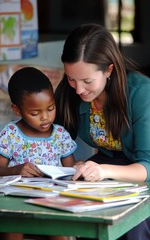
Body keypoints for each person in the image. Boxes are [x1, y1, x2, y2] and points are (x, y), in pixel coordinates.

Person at [54, 23, 150, 240]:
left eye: (87, 81)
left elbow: (147, 166)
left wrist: (103, 170)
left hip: (140, 177)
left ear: (109, 69)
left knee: (132, 223)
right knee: (78, 214)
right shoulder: (70, 92)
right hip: (105, 175)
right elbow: (54, 139)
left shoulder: (141, 92)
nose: (78, 89)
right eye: (71, 78)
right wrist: (72, 165)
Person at [0, 66, 77, 240]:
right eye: (35, 113)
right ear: (17, 110)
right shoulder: (11, 134)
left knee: (60, 231)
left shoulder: (60, 135)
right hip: (15, 203)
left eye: (51, 108)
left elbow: (70, 171)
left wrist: (78, 169)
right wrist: (16, 170)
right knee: (10, 227)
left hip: (51, 202)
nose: (45, 117)